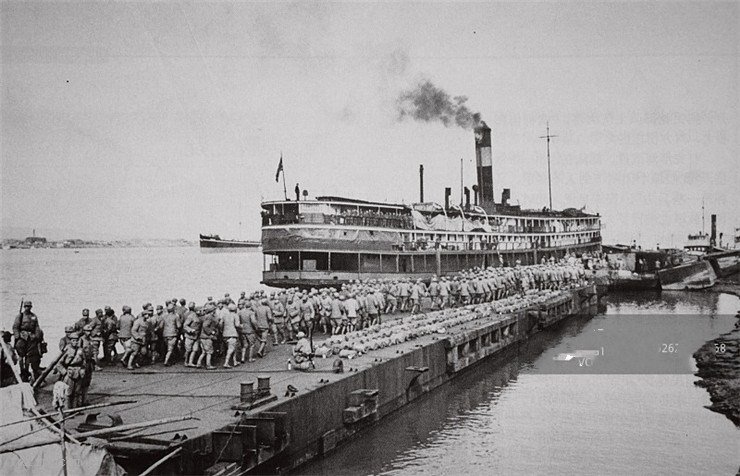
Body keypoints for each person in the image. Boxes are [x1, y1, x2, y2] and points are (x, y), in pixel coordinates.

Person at [13, 300, 46, 382]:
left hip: (31, 338)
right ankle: (22, 372)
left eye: (29, 306)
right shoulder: (20, 316)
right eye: (26, 306)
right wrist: (18, 336)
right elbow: (15, 327)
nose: (27, 308)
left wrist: (36, 336)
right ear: (24, 307)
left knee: (29, 356)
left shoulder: (34, 316)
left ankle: (27, 372)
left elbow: (37, 327)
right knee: (21, 356)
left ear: (31, 307)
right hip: (22, 338)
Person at [54, 331, 85, 409]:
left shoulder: (80, 350)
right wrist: (64, 372)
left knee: (77, 392)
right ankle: (67, 409)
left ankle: (75, 409)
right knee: (68, 392)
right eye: (73, 340)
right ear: (70, 341)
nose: (75, 342)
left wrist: (83, 369)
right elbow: (59, 363)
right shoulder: (67, 350)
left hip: (78, 372)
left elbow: (84, 361)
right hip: (69, 373)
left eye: (76, 340)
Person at [197, 305, 218, 370]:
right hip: (207, 337)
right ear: (212, 311)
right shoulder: (210, 317)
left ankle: (198, 363)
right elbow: (205, 326)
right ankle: (208, 365)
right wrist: (211, 332)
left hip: (202, 337)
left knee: (204, 352)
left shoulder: (205, 316)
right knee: (209, 352)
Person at [221, 303, 241, 368]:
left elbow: (220, 324)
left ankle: (235, 361)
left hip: (225, 334)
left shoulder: (224, 315)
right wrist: (242, 326)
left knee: (232, 348)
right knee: (231, 349)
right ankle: (226, 363)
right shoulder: (235, 315)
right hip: (232, 334)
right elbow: (237, 325)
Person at [182, 303, 201, 367]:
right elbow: (185, 325)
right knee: (188, 350)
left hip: (196, 336)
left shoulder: (199, 317)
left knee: (195, 349)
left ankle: (190, 362)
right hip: (189, 336)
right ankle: (186, 361)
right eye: (199, 310)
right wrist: (190, 330)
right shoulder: (191, 316)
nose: (200, 312)